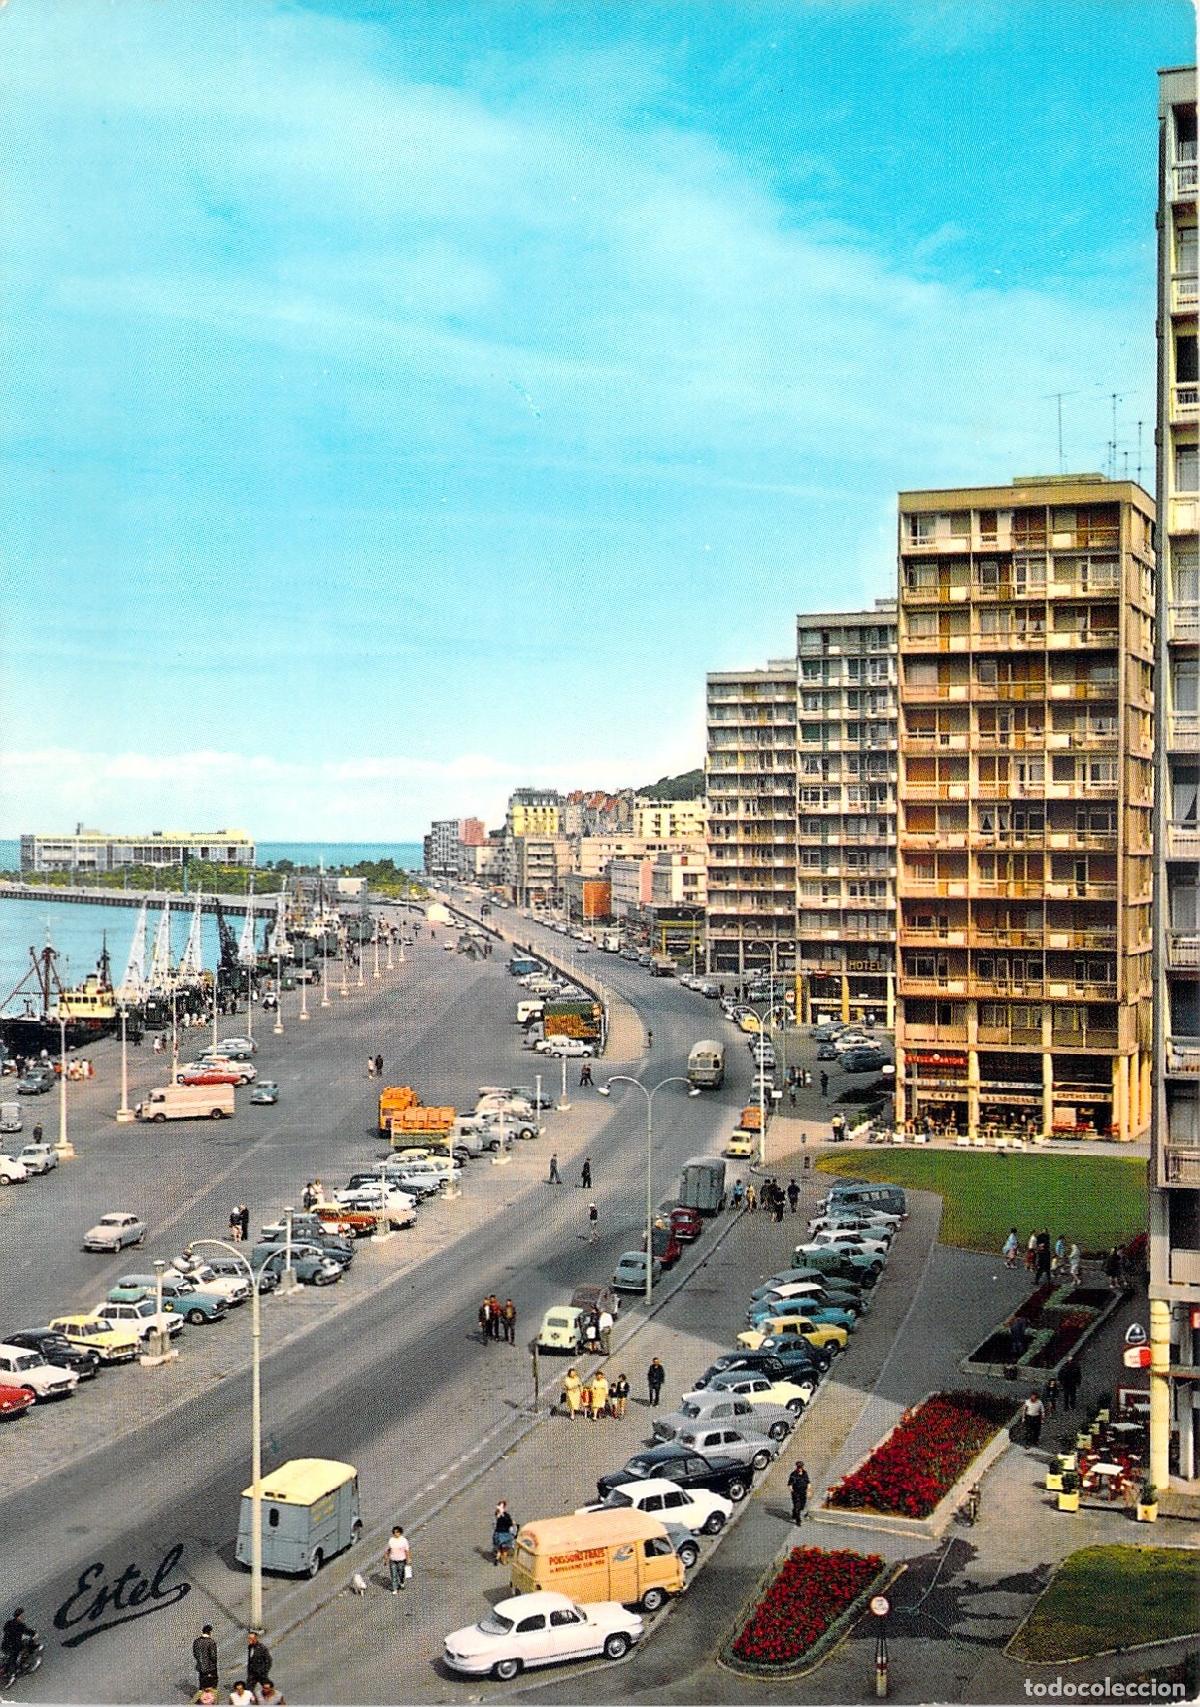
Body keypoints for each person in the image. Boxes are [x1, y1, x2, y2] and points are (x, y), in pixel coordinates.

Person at [193, 1624, 219, 1692]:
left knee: (202, 1683)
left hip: (201, 1667)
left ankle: (201, 1697)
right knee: (212, 1683)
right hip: (211, 1667)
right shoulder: (211, 1642)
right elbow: (213, 1656)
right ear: (210, 1632)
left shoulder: (196, 1641)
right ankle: (211, 1698)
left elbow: (195, 1654)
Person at [385, 1525, 410, 1592]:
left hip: (401, 1560)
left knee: (401, 1573)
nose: (396, 1534)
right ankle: (395, 1588)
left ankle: (401, 1582)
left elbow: (407, 1551)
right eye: (395, 1532)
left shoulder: (404, 1540)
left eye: (397, 1532)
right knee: (393, 1574)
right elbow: (388, 1550)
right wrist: (386, 1559)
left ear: (400, 1532)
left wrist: (408, 1560)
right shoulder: (391, 1540)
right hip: (392, 1560)